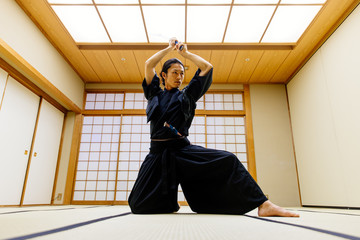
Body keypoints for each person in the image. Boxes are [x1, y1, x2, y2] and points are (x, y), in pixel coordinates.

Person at [128, 38, 299, 217]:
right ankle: (168, 202)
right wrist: (169, 48)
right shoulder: (154, 93)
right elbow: (149, 64)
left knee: (228, 159)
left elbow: (207, 67)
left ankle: (263, 204)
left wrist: (185, 54)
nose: (179, 77)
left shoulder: (187, 95)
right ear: (163, 75)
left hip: (182, 150)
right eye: (174, 73)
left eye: (181, 73)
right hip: (157, 153)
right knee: (137, 205)